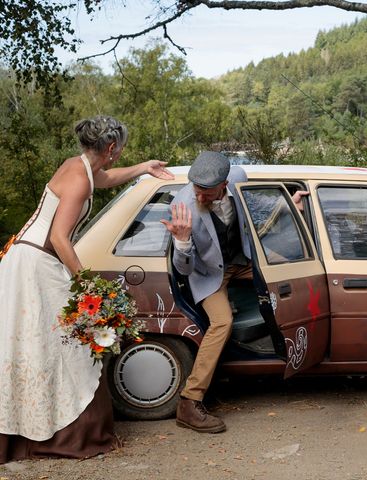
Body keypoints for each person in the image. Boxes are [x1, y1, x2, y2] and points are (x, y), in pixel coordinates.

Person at [0, 115, 174, 464]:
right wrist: (86, 286)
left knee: (40, 344)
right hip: (37, 263)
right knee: (71, 341)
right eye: (121, 150)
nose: (120, 155)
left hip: (25, 256)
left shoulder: (76, 166)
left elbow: (106, 178)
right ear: (111, 148)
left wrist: (144, 168)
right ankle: (68, 434)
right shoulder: (79, 178)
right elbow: (59, 238)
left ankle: (34, 430)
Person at [160, 151, 253, 434]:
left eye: (205, 192)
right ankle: (190, 402)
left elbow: (255, 209)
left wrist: (289, 209)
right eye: (196, 189)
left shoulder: (239, 178)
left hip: (245, 261)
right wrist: (183, 241)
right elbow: (184, 269)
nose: (198, 196)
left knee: (290, 274)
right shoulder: (183, 206)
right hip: (211, 274)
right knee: (222, 322)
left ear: (223, 184)